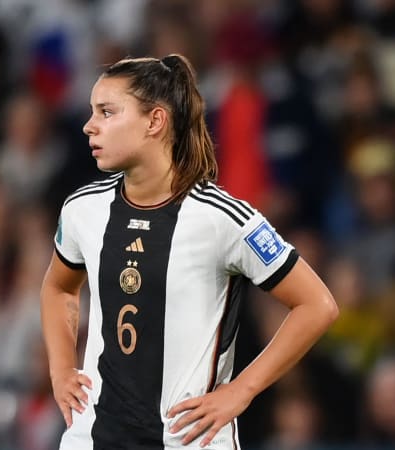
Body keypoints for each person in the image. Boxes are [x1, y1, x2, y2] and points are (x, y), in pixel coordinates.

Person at [40, 54, 338, 450]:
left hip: (189, 440)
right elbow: (58, 288)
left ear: (155, 121)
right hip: (92, 437)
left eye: (107, 112)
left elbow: (317, 304)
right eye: (92, 111)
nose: (89, 125)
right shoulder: (83, 209)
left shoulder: (223, 218)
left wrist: (242, 391)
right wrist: (61, 370)